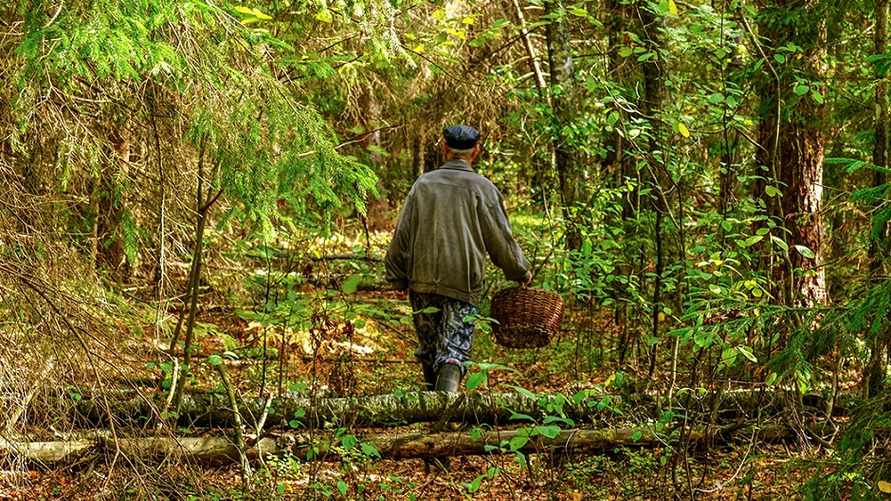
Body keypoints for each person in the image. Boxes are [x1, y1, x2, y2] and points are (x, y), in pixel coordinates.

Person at [385, 125, 532, 393]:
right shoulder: (483, 188)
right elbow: (500, 239)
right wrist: (520, 271)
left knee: (429, 349)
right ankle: (442, 417)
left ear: (444, 149)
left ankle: (432, 410)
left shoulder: (423, 184)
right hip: (463, 283)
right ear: (475, 151)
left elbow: (403, 233)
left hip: (422, 280)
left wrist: (396, 275)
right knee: (453, 350)